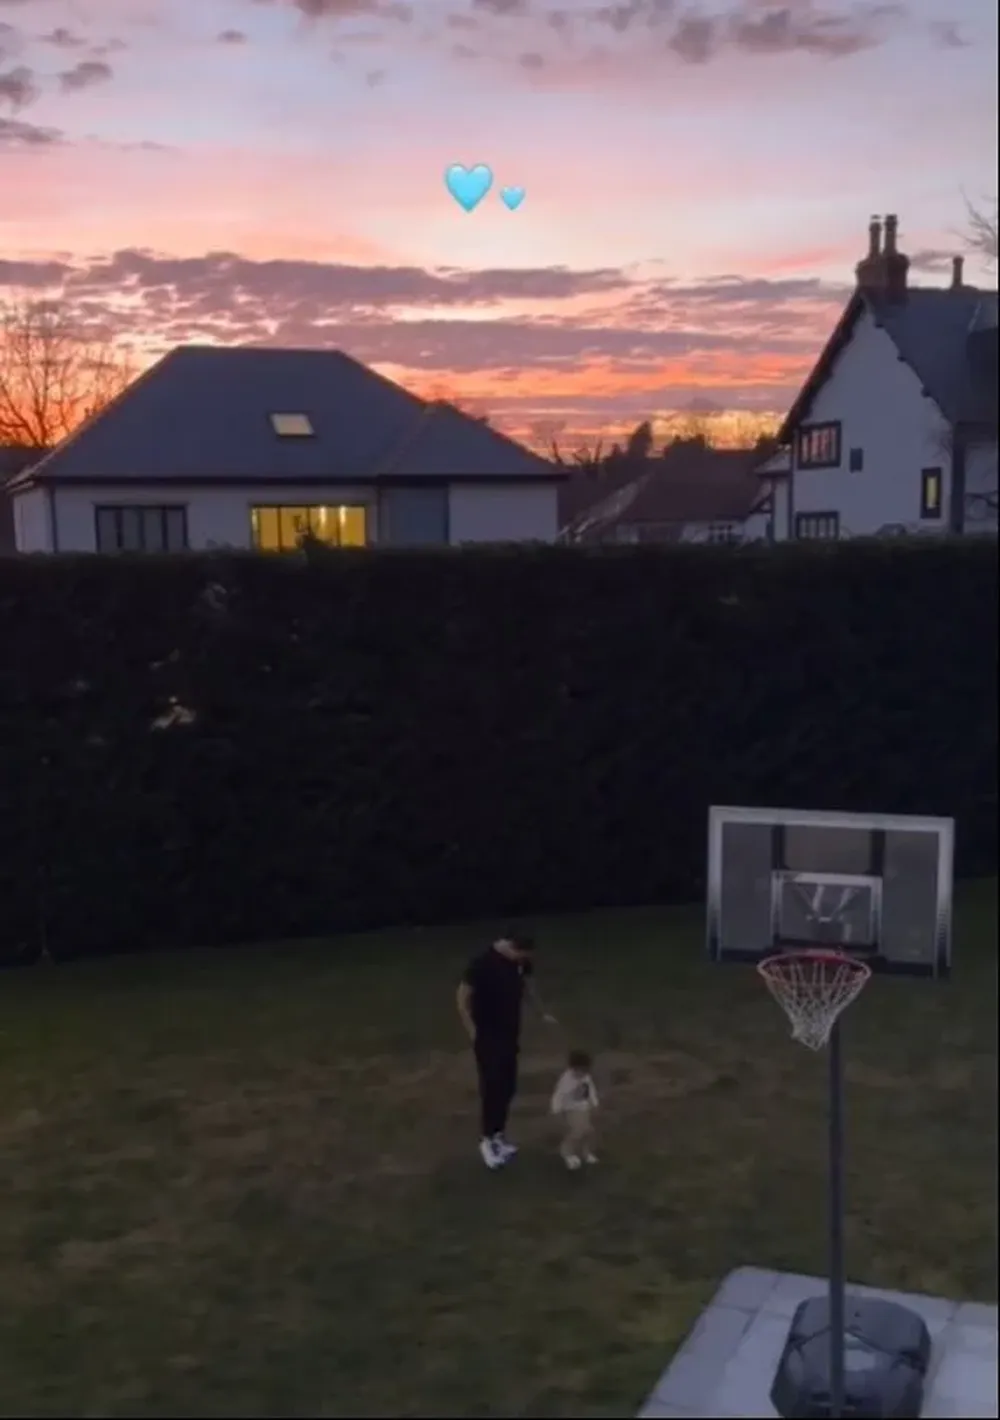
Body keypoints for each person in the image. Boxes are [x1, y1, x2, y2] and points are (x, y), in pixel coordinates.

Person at [456, 934, 556, 1170]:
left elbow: (528, 988)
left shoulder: (521, 962)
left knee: (508, 1086)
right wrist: (473, 1032)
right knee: (492, 1087)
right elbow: (462, 998)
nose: (524, 962)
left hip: (510, 1035)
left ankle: (498, 1134)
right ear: (512, 947)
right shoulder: (482, 964)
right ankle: (487, 1141)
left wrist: (542, 1013)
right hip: (488, 1037)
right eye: (522, 956)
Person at [550, 1049, 599, 1170]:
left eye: (585, 1070)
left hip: (584, 1109)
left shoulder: (586, 1077)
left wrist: (595, 1103)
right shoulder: (566, 1080)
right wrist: (556, 1110)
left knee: (588, 1132)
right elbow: (558, 1095)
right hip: (571, 1110)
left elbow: (590, 1090)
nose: (582, 1074)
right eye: (579, 1070)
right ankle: (567, 1153)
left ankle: (586, 1153)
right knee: (577, 1132)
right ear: (573, 1068)